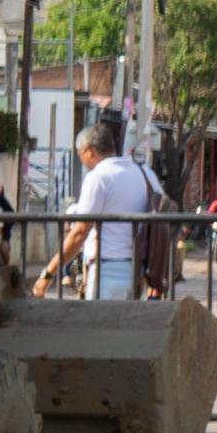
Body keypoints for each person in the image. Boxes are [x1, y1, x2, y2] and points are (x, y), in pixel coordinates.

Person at [47, 110, 159, 298]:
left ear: (90, 150)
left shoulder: (98, 177)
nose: (81, 160)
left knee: (100, 326)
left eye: (80, 154)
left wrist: (48, 273)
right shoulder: (145, 173)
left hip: (106, 270)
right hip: (139, 270)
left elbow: (79, 233)